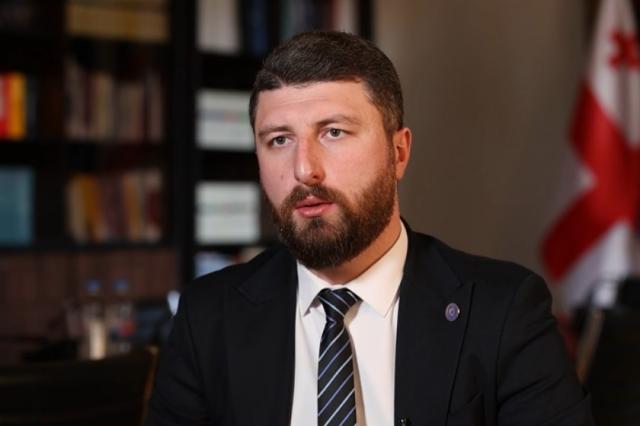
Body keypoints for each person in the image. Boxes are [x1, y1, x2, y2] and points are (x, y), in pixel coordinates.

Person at [147, 31, 593, 425]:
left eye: (334, 132)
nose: (304, 169)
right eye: (279, 140)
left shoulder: (503, 312)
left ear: (398, 153)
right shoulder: (208, 317)